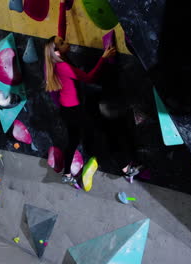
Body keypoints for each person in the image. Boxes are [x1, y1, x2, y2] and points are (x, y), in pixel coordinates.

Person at [44, 0, 117, 188]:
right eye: (62, 43)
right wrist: (103, 58)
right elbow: (89, 78)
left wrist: (62, 5)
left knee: (74, 140)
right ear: (58, 52)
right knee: (99, 131)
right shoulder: (63, 67)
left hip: (67, 109)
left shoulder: (54, 60)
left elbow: (61, 29)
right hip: (74, 111)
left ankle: (67, 173)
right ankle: (124, 166)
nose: (65, 41)